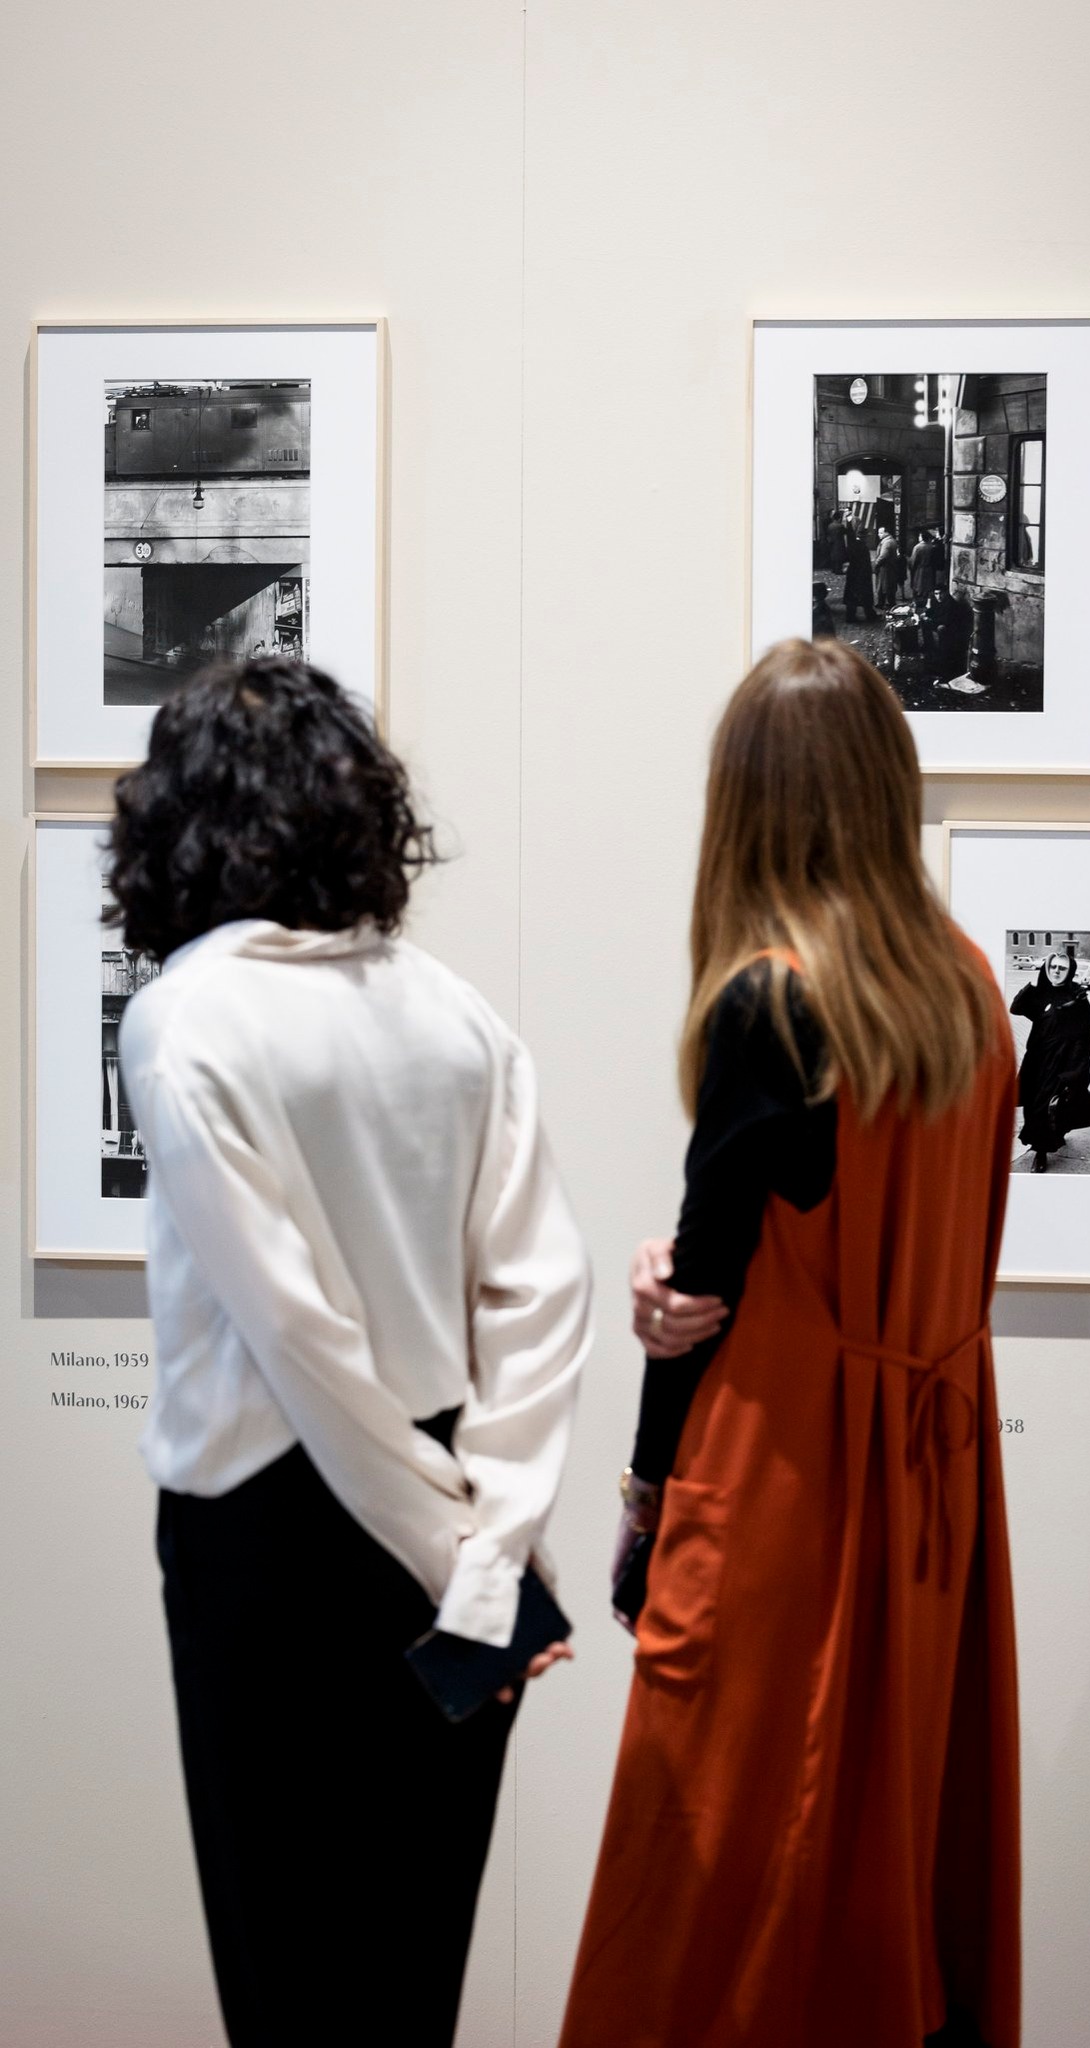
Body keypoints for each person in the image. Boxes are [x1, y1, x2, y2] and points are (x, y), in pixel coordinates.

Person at [107, 657, 592, 2048]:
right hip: (451, 1515)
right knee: (406, 1988)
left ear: (180, 822)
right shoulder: (452, 1012)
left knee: (291, 1996)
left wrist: (465, 1558)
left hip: (269, 1547)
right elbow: (542, 1297)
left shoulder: (185, 1016)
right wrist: (491, 1553)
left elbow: (299, 1343)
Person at [558, 637, 1022, 2048]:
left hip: (783, 1497)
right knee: (886, 1844)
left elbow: (696, 1302)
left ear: (747, 804)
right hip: (932, 1495)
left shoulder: (774, 999)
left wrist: (645, 1495)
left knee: (711, 1883)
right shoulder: (965, 994)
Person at [1009, 952, 1090, 1173]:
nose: (1057, 971)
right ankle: (1044, 1142)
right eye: (1053, 967)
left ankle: (1041, 1152)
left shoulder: (1076, 997)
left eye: (1062, 968)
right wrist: (1031, 985)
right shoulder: (1040, 993)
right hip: (1036, 1061)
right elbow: (1016, 1008)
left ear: (1069, 971)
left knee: (1047, 1106)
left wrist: (1075, 1070)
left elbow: (1085, 1033)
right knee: (1033, 1106)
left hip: (1061, 1062)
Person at [842, 521, 877, 622]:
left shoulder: (851, 545)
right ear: (864, 537)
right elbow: (865, 564)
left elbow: (847, 559)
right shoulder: (863, 548)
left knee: (851, 597)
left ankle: (850, 617)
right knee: (866, 597)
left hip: (852, 574)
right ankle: (870, 615)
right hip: (862, 575)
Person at [872, 522, 899, 607]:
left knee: (883, 586)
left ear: (886, 533)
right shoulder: (891, 540)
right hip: (890, 567)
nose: (879, 535)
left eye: (881, 533)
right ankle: (889, 602)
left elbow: (883, 556)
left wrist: (876, 563)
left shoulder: (886, 542)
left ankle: (882, 603)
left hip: (885, 568)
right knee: (888, 585)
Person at [909, 524, 937, 605]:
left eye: (919, 536)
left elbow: (913, 561)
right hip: (929, 569)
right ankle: (927, 602)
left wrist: (912, 569)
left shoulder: (917, 547)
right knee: (928, 586)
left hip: (920, 570)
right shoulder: (931, 547)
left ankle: (917, 602)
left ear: (921, 537)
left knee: (918, 586)